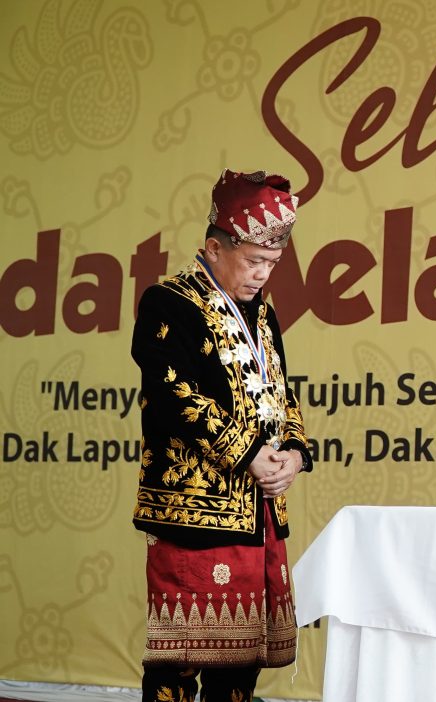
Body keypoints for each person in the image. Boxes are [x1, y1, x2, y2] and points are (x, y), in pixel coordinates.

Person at [131, 169, 313, 702]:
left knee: (241, 665)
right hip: (195, 512)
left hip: (259, 514)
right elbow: (174, 392)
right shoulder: (169, 302)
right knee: (180, 662)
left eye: (272, 263)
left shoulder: (263, 313)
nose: (263, 274)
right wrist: (249, 452)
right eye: (254, 261)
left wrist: (295, 452)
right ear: (215, 248)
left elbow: (281, 393)